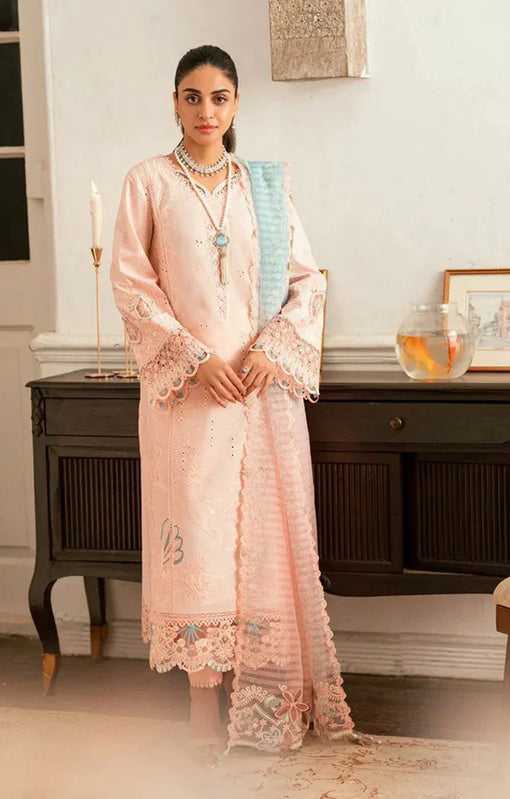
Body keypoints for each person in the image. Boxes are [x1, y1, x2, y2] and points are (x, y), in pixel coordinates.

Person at [110, 44, 369, 763]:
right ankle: (202, 698)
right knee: (198, 544)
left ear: (235, 105)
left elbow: (307, 281)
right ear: (174, 103)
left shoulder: (263, 187)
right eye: (192, 97)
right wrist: (194, 361)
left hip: (256, 394)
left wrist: (269, 349)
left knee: (253, 543)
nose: (205, 110)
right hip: (187, 402)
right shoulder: (148, 182)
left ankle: (267, 692)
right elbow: (131, 284)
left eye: (218, 97)